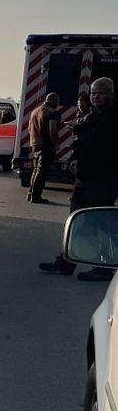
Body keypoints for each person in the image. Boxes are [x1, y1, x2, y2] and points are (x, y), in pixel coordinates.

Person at [39, 77, 118, 281]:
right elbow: (80, 145)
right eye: (93, 93)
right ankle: (66, 261)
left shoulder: (113, 120)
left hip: (103, 180)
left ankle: (104, 267)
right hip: (83, 179)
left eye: (101, 93)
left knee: (102, 224)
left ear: (111, 94)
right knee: (76, 222)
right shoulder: (91, 118)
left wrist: (82, 165)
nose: (96, 96)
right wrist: (73, 161)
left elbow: (107, 154)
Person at [26, 91, 60, 203]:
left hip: (35, 144)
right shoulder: (52, 113)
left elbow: (29, 129)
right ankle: (36, 196)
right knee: (42, 171)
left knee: (36, 170)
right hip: (46, 145)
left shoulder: (35, 111)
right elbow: (52, 129)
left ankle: (30, 194)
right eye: (57, 102)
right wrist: (55, 144)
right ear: (54, 101)